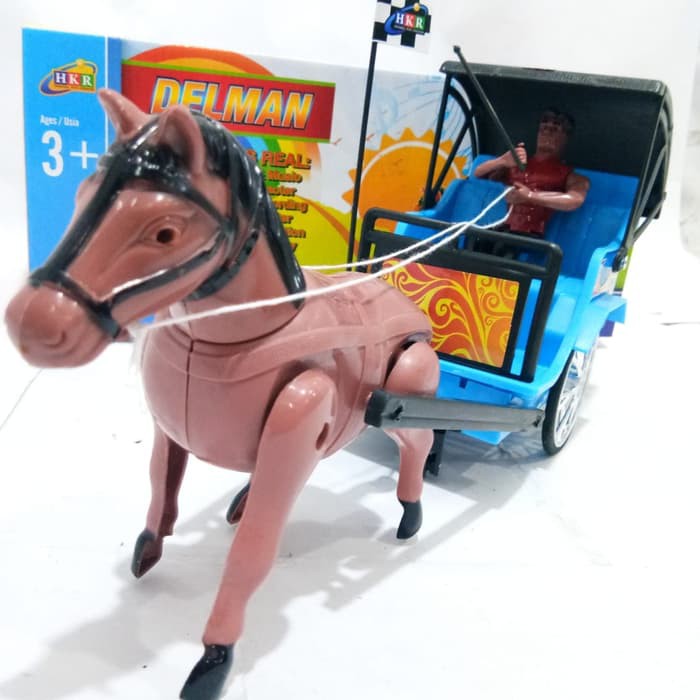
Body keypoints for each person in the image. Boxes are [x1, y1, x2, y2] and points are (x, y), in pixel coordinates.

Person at [473, 109, 589, 238]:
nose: (547, 133)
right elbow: (478, 174)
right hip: (504, 228)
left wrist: (530, 196)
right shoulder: (515, 164)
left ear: (566, 138)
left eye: (555, 130)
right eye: (544, 128)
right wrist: (501, 161)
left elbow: (575, 199)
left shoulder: (569, 175)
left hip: (531, 235)